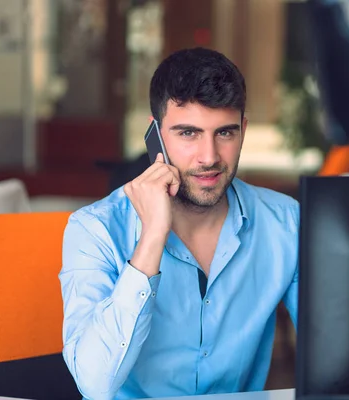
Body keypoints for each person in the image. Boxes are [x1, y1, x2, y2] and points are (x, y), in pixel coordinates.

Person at [59, 47, 299, 400]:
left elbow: (338, 350)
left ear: (243, 130)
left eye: (225, 133)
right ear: (154, 135)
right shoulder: (94, 229)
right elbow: (94, 384)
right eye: (188, 133)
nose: (209, 157)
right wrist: (153, 236)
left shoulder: (286, 222)